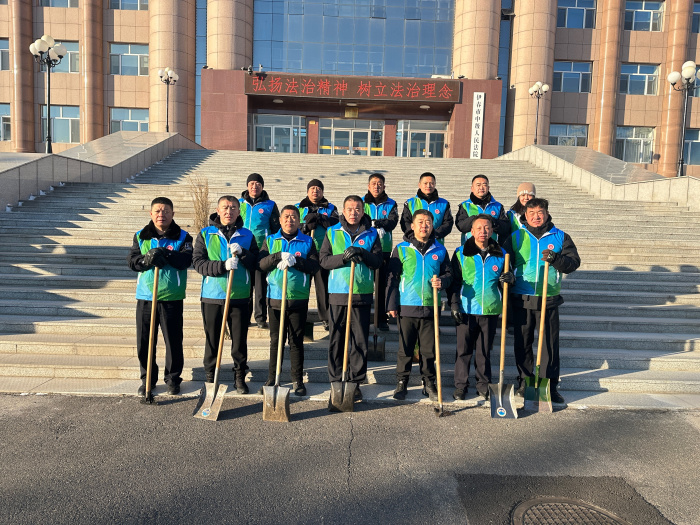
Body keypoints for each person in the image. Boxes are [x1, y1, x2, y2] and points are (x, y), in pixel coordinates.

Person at [503, 198, 580, 404]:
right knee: (523, 342)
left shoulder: (560, 236)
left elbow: (573, 262)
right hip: (522, 297)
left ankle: (549, 386)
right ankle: (525, 381)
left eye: (540, 212)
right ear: (525, 215)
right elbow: (504, 262)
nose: (536, 217)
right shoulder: (516, 236)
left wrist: (556, 259)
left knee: (549, 344)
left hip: (549, 297)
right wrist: (508, 276)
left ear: (546, 214)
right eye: (531, 213)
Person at [192, 196, 259, 394]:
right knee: (212, 340)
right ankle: (211, 377)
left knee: (239, 341)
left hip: (239, 296)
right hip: (212, 296)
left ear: (239, 211)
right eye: (225, 207)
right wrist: (222, 266)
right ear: (218, 210)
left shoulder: (247, 235)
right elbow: (198, 263)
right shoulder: (205, 234)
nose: (229, 211)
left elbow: (256, 262)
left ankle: (239, 377)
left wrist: (243, 253)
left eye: (233, 207)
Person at [319, 195, 383, 401]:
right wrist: (344, 258)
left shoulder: (372, 233)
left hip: (362, 293)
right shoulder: (332, 232)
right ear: (343, 211)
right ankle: (336, 380)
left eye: (357, 209)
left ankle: (355, 382)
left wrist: (362, 252)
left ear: (363, 211)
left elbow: (378, 261)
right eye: (349, 209)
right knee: (337, 339)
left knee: (359, 341)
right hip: (338, 293)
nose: (353, 213)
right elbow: (324, 261)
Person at [127, 197, 193, 396]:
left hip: (171, 297)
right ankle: (147, 378)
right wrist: (146, 260)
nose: (161, 215)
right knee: (145, 341)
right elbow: (132, 261)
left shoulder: (183, 237)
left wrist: (166, 253)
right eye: (157, 211)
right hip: (146, 296)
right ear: (151, 214)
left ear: (172, 214)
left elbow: (186, 260)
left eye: (165, 211)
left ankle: (173, 379)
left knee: (173, 341)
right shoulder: (141, 236)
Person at [386, 209, 452, 401]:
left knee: (428, 350)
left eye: (428, 222)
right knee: (405, 348)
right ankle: (402, 382)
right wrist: (391, 303)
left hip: (431, 307)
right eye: (421, 222)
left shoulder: (440, 250)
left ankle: (429, 383)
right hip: (407, 306)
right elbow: (392, 278)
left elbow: (449, 274)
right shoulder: (402, 249)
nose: (424, 226)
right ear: (412, 226)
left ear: (433, 226)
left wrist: (442, 281)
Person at [449, 215, 514, 400]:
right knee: (463, 350)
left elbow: (508, 279)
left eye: (486, 228)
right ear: (472, 231)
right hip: (466, 309)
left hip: (490, 309)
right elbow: (454, 282)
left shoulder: (502, 253)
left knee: (484, 351)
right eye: (479, 228)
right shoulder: (461, 253)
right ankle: (461, 385)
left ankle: (483, 384)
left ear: (492, 231)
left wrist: (510, 278)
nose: (483, 232)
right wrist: (454, 304)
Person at [257, 205, 320, 396]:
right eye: (286, 217)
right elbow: (261, 264)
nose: (289, 220)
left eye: (293, 217)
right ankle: (272, 378)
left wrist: (296, 261)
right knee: (276, 341)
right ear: (280, 220)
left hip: (298, 299)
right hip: (275, 299)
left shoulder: (307, 241)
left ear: (299, 220)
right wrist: (277, 257)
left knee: (296, 341)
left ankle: (297, 380)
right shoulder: (271, 240)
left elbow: (314, 266)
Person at [296, 179, 339, 331]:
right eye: (312, 188)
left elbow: (336, 224)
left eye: (318, 188)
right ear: (307, 191)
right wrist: (305, 226)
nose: (315, 191)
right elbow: (291, 225)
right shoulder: (298, 207)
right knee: (302, 285)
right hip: (303, 252)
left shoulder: (331, 208)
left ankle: (326, 317)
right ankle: (300, 316)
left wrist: (321, 219)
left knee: (323, 287)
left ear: (322, 191)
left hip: (322, 251)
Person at [239, 173, 280, 329]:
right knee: (245, 284)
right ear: (247, 186)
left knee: (260, 286)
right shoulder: (239, 203)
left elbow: (276, 228)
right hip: (243, 249)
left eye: (258, 184)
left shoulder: (270, 205)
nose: (254, 186)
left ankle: (261, 317)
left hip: (262, 250)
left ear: (262, 187)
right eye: (252, 183)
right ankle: (245, 316)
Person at [363, 172, 398, 332]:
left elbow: (392, 222)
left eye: (379, 184)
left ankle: (382, 318)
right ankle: (364, 317)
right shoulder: (362, 203)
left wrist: (377, 223)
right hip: (366, 249)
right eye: (373, 184)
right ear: (368, 186)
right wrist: (374, 224)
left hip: (384, 250)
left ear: (384, 186)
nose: (376, 187)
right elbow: (361, 220)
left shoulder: (391, 204)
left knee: (383, 284)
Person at [400, 172, 453, 245]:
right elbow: (405, 222)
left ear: (435, 184)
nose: (428, 186)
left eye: (431, 183)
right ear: (419, 185)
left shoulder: (444, 204)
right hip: (414, 243)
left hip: (437, 243)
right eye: (425, 183)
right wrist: (416, 235)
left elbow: (448, 223)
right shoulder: (410, 203)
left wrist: (434, 234)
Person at [455, 174, 508, 245]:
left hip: (492, 247)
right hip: (470, 247)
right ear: (472, 188)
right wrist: (477, 218)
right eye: (478, 185)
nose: (481, 188)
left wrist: (491, 221)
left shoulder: (498, 206)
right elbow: (461, 226)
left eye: (484, 185)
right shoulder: (465, 205)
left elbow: (505, 227)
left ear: (488, 188)